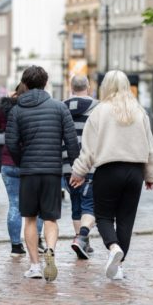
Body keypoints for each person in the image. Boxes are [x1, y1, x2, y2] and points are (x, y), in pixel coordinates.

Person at [70, 70, 153, 280]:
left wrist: (79, 172)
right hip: (135, 172)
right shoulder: (139, 112)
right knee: (126, 220)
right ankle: (118, 267)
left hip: (108, 170)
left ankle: (112, 247)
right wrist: (151, 175)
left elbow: (89, 149)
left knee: (103, 216)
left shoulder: (100, 111)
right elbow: (150, 147)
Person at [6, 66, 79, 281]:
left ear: (25, 84)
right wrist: (74, 167)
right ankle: (50, 249)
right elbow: (71, 142)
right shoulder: (59, 108)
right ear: (46, 83)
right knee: (50, 218)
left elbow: (11, 142)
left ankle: (35, 266)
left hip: (29, 171)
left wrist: (22, 161)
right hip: (52, 172)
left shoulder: (17, 110)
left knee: (29, 218)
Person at [0, 83, 44, 257]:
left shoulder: (5, 107)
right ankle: (37, 241)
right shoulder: (33, 107)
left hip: (8, 161)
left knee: (14, 204)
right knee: (37, 206)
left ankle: (16, 245)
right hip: (29, 161)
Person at [62, 76, 99, 260]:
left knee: (76, 204)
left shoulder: (61, 107)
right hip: (90, 165)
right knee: (90, 204)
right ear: (88, 87)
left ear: (71, 87)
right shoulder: (98, 108)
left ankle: (81, 241)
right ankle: (82, 239)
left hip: (67, 165)